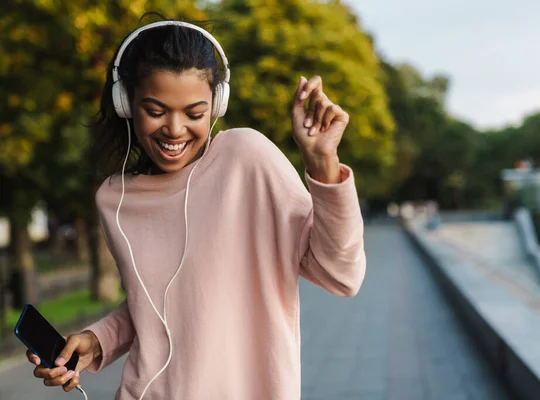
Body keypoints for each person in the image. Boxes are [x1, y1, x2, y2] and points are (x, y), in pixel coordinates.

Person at [26, 17, 366, 400]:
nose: (174, 129)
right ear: (126, 104)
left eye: (194, 112)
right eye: (155, 110)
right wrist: (97, 340)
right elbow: (157, 304)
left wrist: (323, 162)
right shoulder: (114, 200)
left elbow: (341, 276)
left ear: (216, 106)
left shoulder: (247, 159)